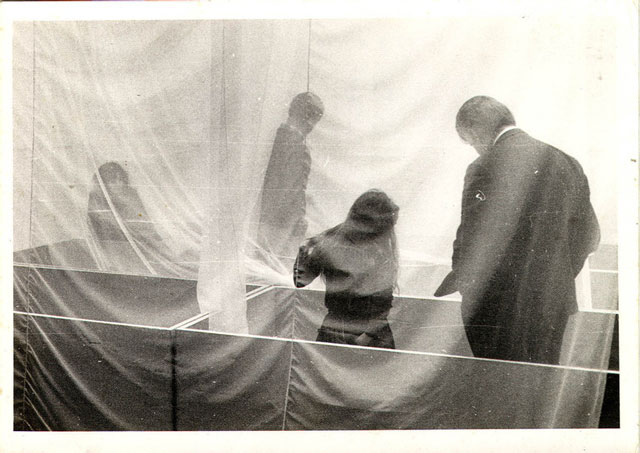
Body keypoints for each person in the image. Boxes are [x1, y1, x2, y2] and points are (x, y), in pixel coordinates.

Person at [435, 96, 600, 364]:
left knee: (500, 387)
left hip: (497, 305)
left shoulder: (483, 167)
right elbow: (589, 236)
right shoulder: (566, 162)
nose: (475, 149)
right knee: (539, 388)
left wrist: (470, 289)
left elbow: (471, 239)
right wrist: (556, 276)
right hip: (551, 304)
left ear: (476, 131)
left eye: (470, 142)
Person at [293, 189, 400, 349]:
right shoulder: (331, 243)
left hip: (351, 332)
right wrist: (304, 254)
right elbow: (300, 282)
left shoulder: (378, 248)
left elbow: (383, 303)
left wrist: (366, 337)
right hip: (348, 332)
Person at [257, 92, 324, 260]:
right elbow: (291, 191)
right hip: (283, 225)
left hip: (264, 218)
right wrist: (298, 221)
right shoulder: (298, 148)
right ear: (309, 120)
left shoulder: (275, 138)